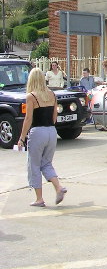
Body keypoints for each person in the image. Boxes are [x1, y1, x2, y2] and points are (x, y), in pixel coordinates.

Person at [17, 67, 67, 207]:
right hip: (51, 131)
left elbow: (28, 119)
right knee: (46, 163)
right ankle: (59, 188)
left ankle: (39, 199)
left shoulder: (31, 96)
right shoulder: (52, 94)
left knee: (34, 165)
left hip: (38, 132)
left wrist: (22, 137)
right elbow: (55, 117)